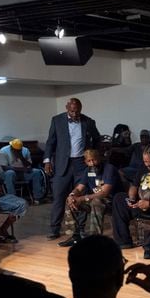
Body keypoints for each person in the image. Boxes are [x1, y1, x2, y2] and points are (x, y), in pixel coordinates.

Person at [44, 97, 100, 240]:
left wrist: (93, 156)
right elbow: (50, 142)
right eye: (72, 111)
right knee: (59, 196)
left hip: (81, 163)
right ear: (67, 107)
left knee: (81, 196)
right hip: (63, 163)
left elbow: (97, 139)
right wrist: (47, 161)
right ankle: (55, 229)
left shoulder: (88, 121)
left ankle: (80, 229)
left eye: (78, 111)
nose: (75, 114)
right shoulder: (57, 120)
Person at [57, 149, 119, 247]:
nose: (92, 163)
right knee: (70, 201)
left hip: (111, 201)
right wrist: (72, 195)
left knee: (96, 202)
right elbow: (80, 187)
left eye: (94, 160)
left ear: (99, 158)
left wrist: (82, 198)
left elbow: (104, 193)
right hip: (93, 199)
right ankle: (75, 237)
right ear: (85, 162)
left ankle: (95, 239)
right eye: (89, 161)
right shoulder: (88, 171)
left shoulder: (109, 168)